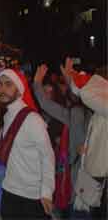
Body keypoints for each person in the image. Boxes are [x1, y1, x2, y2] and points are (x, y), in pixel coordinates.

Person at [0, 68, 55, 218]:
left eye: (8, 84)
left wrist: (47, 192)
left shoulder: (33, 120)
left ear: (19, 89)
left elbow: (48, 157)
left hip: (32, 197)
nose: (2, 89)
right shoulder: (7, 116)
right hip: (9, 191)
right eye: (1, 84)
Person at [34, 62, 91, 213]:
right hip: (74, 178)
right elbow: (45, 104)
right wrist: (37, 83)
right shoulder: (73, 113)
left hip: (90, 178)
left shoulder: (98, 113)